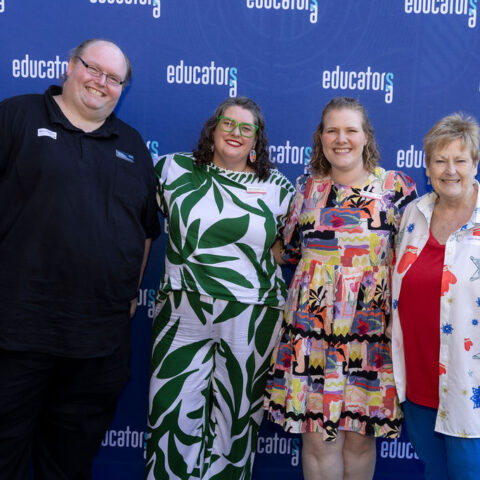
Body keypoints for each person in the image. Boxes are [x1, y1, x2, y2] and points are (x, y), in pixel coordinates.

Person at [0, 39, 160, 479]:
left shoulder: (132, 144)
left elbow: (146, 229)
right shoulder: (16, 116)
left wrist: (131, 292)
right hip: (17, 334)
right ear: (70, 66)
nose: (101, 83)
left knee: (69, 466)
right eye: (93, 69)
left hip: (98, 344)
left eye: (114, 79)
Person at [264, 97, 417, 480]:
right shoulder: (307, 190)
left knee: (359, 440)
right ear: (320, 137)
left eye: (350, 130)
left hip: (371, 334)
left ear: (366, 137)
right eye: (332, 130)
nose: (341, 138)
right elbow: (288, 251)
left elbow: (413, 260)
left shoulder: (395, 189)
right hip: (312, 333)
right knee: (319, 441)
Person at [146, 97, 295, 480]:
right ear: (213, 129)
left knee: (237, 420)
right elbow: (138, 223)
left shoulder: (278, 188)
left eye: (247, 128)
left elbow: (286, 250)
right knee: (169, 413)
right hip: (182, 311)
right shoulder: (172, 170)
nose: (236, 133)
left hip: (253, 316)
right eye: (228, 124)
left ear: (257, 139)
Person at [391, 113, 480, 480]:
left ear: (475, 164)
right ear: (427, 168)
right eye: (440, 161)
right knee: (435, 471)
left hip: (469, 385)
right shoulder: (414, 213)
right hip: (419, 380)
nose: (451, 170)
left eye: (460, 160)